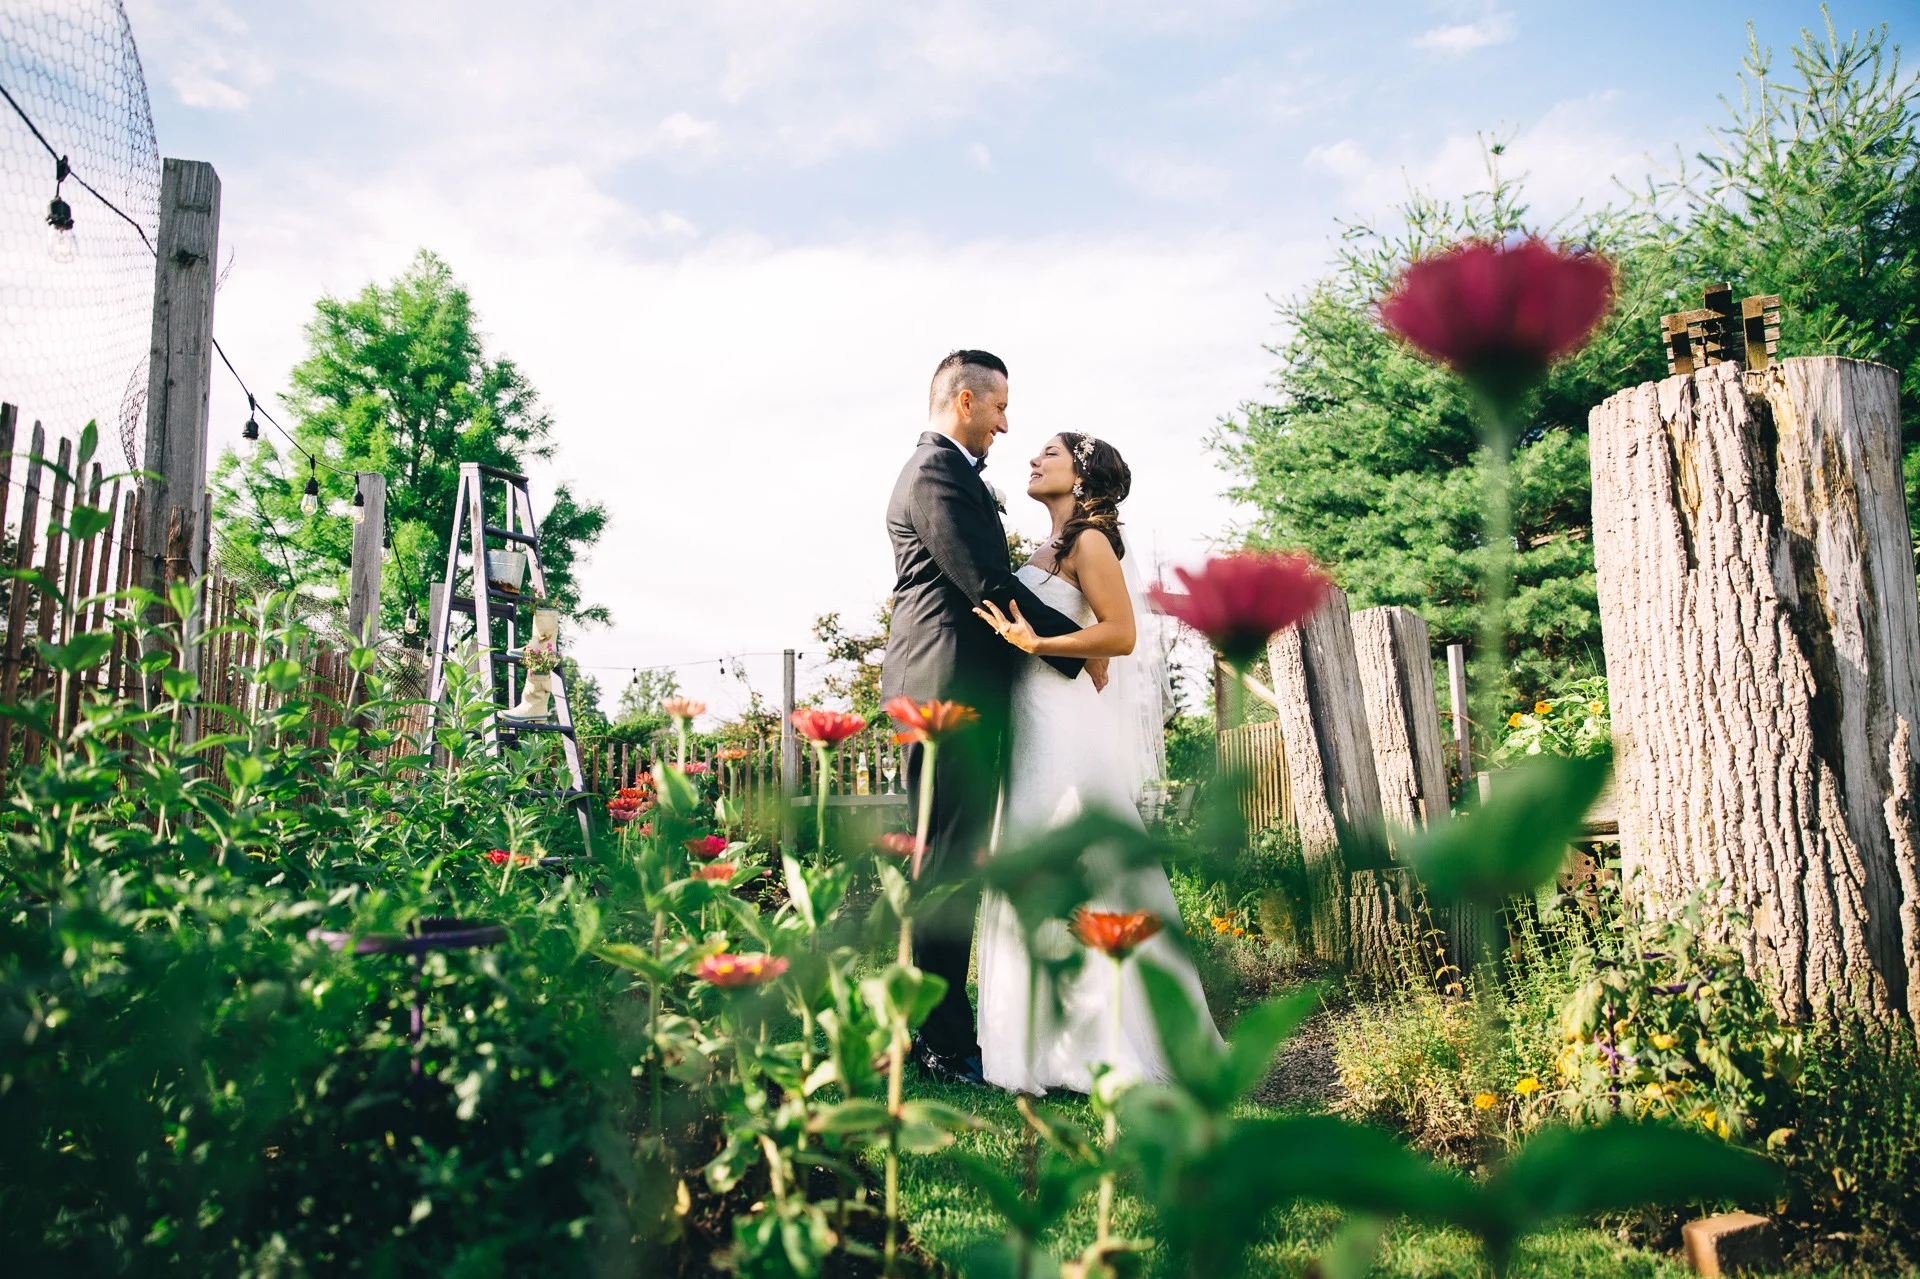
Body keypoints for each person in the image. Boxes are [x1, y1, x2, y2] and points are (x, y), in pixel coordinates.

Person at [971, 432, 1220, 1094]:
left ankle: (1101, 1042)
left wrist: (1039, 638)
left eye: (1049, 453)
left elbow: (1121, 631)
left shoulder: (1088, 542)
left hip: (1064, 722)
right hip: (1030, 720)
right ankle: (1033, 1042)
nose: (1033, 459)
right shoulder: (1043, 548)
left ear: (1082, 476)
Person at [878, 350, 1095, 1087]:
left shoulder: (945, 471)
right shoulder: (935, 472)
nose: (1007, 425)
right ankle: (938, 1045)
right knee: (943, 870)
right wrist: (1076, 653)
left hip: (958, 692)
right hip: (945, 697)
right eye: (1000, 408)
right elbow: (987, 584)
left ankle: (930, 1034)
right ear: (965, 400)